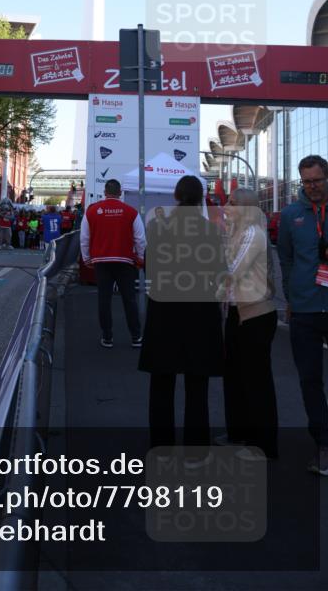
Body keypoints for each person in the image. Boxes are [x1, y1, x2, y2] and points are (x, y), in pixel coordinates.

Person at [138, 175, 224, 462]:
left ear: (176, 196)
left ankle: (161, 448)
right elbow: (218, 271)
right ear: (201, 198)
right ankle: (196, 451)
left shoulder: (160, 228)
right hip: (200, 315)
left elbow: (149, 266)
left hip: (165, 314)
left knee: (161, 383)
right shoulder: (210, 232)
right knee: (196, 385)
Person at [277, 155, 328, 476]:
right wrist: (290, 296)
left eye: (317, 181)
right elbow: (285, 259)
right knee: (309, 379)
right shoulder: (291, 215)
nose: (312, 187)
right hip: (304, 308)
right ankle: (323, 441)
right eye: (306, 182)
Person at [216, 188, 278, 460]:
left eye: (231, 203)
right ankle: (238, 433)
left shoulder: (254, 234)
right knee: (235, 377)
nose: (226, 206)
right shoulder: (235, 232)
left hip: (255, 315)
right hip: (237, 313)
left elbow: (232, 273)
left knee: (256, 381)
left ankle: (262, 445)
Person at [80, 179, 145, 349]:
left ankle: (107, 337)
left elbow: (84, 238)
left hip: (101, 262)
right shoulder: (131, 212)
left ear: (104, 191)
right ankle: (136, 336)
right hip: (125, 262)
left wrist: (87, 258)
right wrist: (139, 259)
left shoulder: (92, 211)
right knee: (129, 299)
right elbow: (140, 240)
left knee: (104, 299)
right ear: (120, 192)